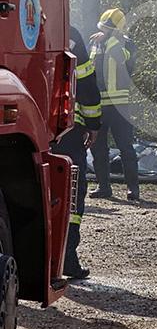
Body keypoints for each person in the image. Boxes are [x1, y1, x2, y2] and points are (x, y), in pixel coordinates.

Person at [51, 26, 101, 279]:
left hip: (21, 125)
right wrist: (93, 125)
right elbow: (86, 83)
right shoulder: (67, 32)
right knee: (70, 192)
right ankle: (66, 257)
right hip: (64, 129)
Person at [89, 8, 140, 201]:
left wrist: (108, 40)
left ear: (117, 30)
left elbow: (121, 59)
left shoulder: (126, 44)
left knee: (126, 147)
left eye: (108, 29)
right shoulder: (96, 43)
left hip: (119, 106)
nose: (104, 31)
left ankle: (133, 190)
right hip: (99, 105)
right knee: (98, 148)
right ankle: (104, 187)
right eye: (103, 28)